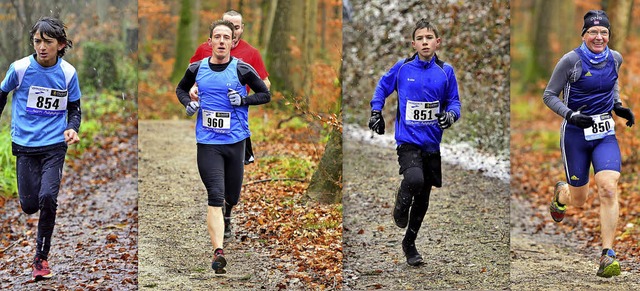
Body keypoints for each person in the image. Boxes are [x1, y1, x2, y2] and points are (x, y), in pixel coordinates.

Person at [544, 10, 634, 278]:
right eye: (593, 32)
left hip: (605, 132)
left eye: (603, 32)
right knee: (580, 201)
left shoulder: (615, 58)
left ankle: (607, 255)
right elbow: (549, 95)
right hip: (575, 134)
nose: (599, 36)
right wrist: (571, 114)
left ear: (609, 35)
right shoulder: (570, 60)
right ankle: (563, 193)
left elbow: (612, 85)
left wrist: (618, 106)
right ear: (584, 34)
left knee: (608, 187)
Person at [175, 19, 270, 274]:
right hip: (207, 142)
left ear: (232, 42)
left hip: (235, 141)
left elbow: (265, 95)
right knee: (214, 195)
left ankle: (229, 212)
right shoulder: (197, 68)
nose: (221, 41)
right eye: (216, 37)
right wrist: (188, 103)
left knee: (232, 196)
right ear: (210, 42)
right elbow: (181, 89)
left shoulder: (242, 69)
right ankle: (218, 252)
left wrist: (243, 99)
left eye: (225, 37)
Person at [368, 19, 461, 266]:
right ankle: (400, 203)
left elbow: (454, 102)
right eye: (419, 38)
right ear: (413, 43)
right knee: (414, 180)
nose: (424, 42)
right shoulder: (402, 67)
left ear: (437, 42)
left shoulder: (446, 71)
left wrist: (451, 115)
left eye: (429, 37)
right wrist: (376, 112)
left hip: (431, 144)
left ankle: (409, 244)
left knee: (423, 199)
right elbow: (381, 88)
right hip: (408, 140)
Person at [0, 17, 81, 281]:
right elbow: (1, 95)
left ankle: (40, 259)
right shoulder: (20, 68)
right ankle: (39, 252)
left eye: (47, 42)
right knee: (29, 205)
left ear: (60, 44)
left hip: (54, 146)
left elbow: (74, 108)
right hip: (25, 145)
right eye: (37, 41)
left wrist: (72, 128)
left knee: (48, 197)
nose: (41, 47)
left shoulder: (68, 73)